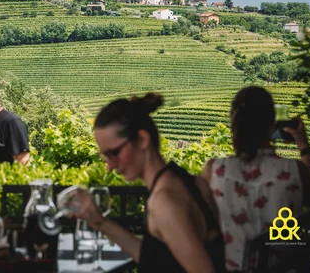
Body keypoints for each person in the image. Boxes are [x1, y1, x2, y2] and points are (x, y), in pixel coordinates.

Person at [69, 93, 225, 273]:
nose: (110, 166)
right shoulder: (194, 184)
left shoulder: (163, 201)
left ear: (142, 140)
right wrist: (99, 222)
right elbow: (158, 260)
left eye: (114, 153)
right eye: (105, 156)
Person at [202, 86, 310, 272]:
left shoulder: (215, 170)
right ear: (272, 125)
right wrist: (303, 145)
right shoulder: (294, 170)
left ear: (234, 124)